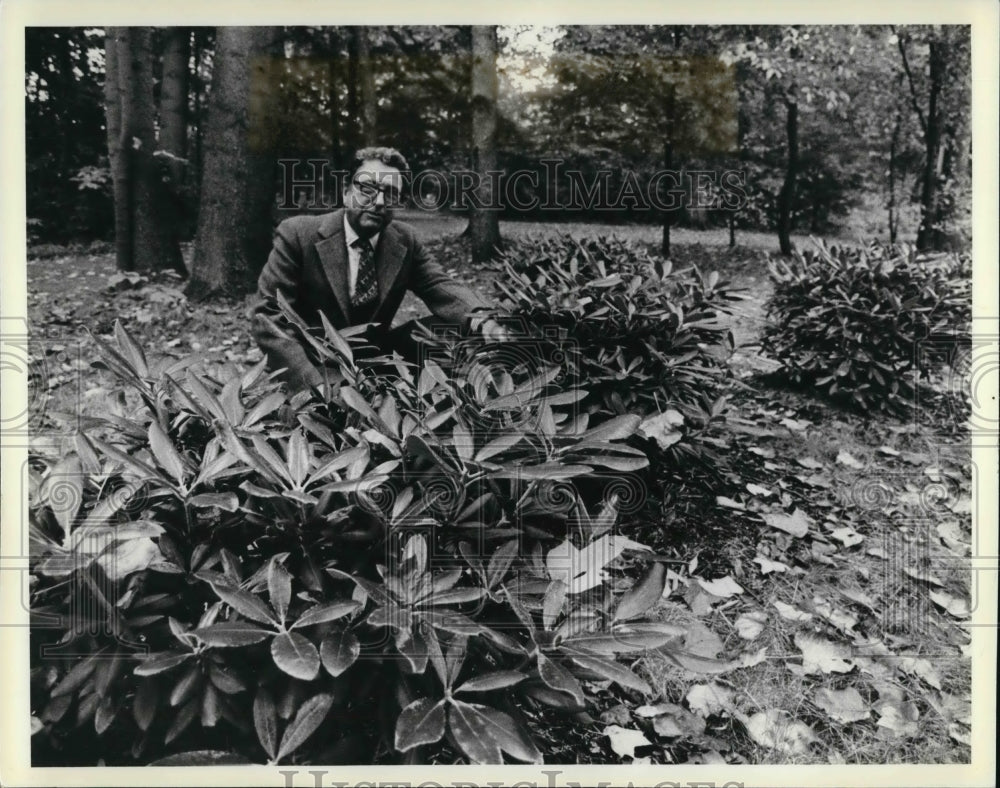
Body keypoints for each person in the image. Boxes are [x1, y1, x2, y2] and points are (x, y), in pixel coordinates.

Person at [252, 146, 506, 392]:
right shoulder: (298, 234)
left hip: (378, 359)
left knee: (452, 324)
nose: (379, 201)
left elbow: (439, 286)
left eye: (391, 193)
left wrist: (482, 320)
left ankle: (467, 388)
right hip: (316, 363)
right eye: (368, 188)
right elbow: (268, 318)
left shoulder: (405, 239)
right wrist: (313, 388)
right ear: (346, 191)